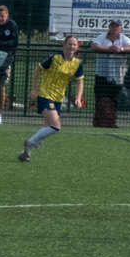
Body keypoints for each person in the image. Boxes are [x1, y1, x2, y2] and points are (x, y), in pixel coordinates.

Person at [18, 33, 83, 162]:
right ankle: (29, 143)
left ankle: (25, 152)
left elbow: (80, 81)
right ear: (64, 45)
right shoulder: (54, 58)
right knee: (56, 126)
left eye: (74, 44)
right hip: (45, 95)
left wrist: (79, 97)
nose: (71, 46)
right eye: (69, 43)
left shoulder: (77, 63)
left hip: (59, 98)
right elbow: (38, 69)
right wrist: (34, 88)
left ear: (77, 47)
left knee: (47, 127)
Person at [92, 19, 130, 129]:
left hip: (117, 75)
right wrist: (108, 49)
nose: (114, 29)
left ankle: (111, 122)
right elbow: (94, 46)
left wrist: (121, 49)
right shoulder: (102, 36)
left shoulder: (124, 38)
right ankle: (98, 122)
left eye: (116, 27)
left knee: (114, 101)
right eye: (112, 26)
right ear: (109, 27)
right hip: (102, 74)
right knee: (100, 99)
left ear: (121, 29)